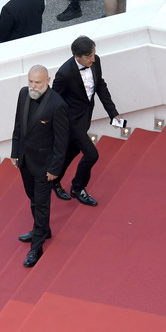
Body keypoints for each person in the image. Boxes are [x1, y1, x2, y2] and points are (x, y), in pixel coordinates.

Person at [51, 35, 122, 207]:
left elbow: (100, 87)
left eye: (93, 54)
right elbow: (54, 100)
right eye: (89, 56)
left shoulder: (95, 61)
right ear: (77, 56)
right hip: (71, 121)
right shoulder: (64, 73)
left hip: (85, 117)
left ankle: (54, 179)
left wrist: (113, 114)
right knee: (92, 155)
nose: (93, 58)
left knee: (72, 151)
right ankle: (78, 188)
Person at [10, 65, 68, 268]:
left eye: (38, 82)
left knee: (42, 204)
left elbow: (61, 142)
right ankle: (43, 230)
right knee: (32, 198)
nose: (33, 86)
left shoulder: (57, 104)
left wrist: (55, 169)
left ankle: (37, 247)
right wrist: (15, 153)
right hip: (25, 161)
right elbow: (18, 124)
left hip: (45, 166)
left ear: (48, 80)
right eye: (30, 81)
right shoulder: (23, 94)